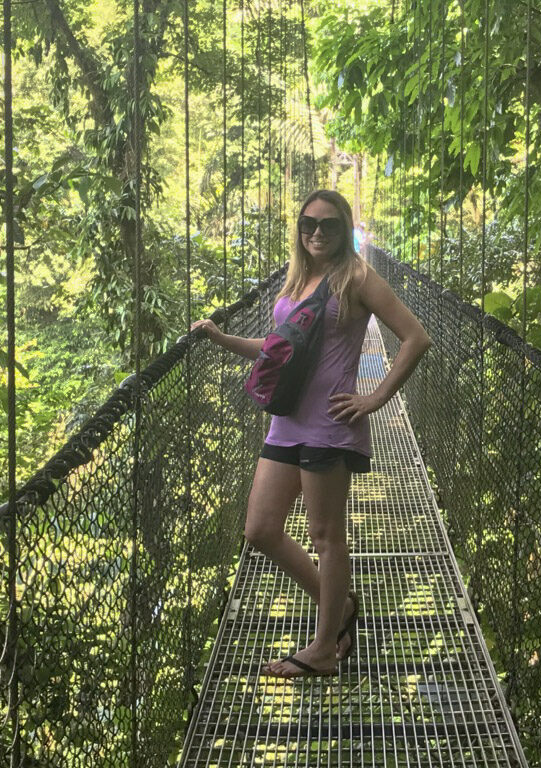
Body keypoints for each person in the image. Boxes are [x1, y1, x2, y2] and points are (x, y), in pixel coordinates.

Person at [191, 189, 432, 679]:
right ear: (298, 229)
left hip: (329, 425)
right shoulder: (298, 277)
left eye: (329, 225)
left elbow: (415, 337)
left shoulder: (358, 277)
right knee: (260, 530)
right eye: (308, 224)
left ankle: (323, 648)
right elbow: (280, 347)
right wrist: (222, 339)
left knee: (326, 536)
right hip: (286, 422)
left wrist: (374, 397)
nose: (317, 233)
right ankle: (339, 606)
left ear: (345, 230)